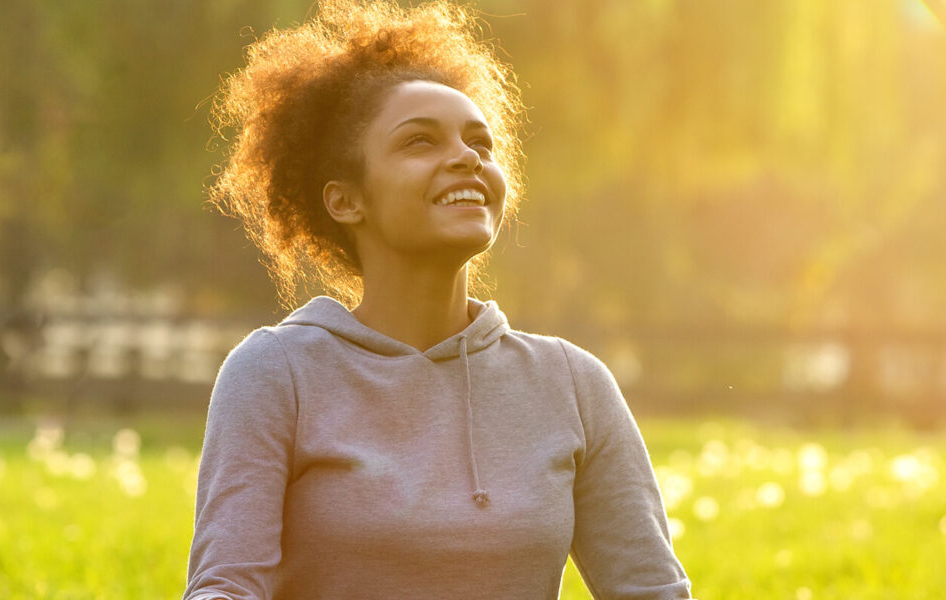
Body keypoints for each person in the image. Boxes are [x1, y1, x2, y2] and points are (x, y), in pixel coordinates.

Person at [183, 1, 692, 598]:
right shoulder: (276, 373)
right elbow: (226, 588)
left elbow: (651, 591)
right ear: (346, 200)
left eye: (480, 142)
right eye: (420, 141)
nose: (468, 157)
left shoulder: (573, 385)